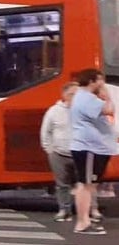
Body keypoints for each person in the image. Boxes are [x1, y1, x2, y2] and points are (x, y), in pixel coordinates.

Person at [40, 82, 100, 222]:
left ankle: (92, 210)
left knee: (87, 184)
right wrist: (49, 149)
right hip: (59, 154)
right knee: (62, 185)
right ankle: (64, 210)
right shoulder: (54, 111)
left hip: (82, 154)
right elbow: (46, 131)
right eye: (72, 94)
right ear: (64, 95)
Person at [69, 68, 115, 234]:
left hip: (93, 147)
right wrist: (107, 96)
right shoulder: (86, 98)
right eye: (100, 80)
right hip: (89, 147)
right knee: (85, 185)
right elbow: (109, 109)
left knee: (88, 185)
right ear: (91, 81)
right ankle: (82, 223)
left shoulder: (84, 97)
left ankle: (85, 220)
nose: (103, 83)